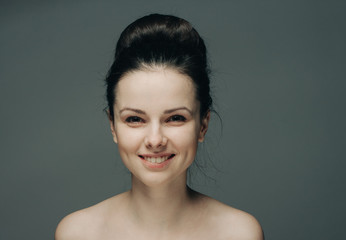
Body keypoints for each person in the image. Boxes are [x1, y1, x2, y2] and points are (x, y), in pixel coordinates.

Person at [55, 13, 263, 240]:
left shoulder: (239, 233)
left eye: (175, 118)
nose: (155, 140)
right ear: (113, 126)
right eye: (135, 119)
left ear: (203, 124)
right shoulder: (77, 233)